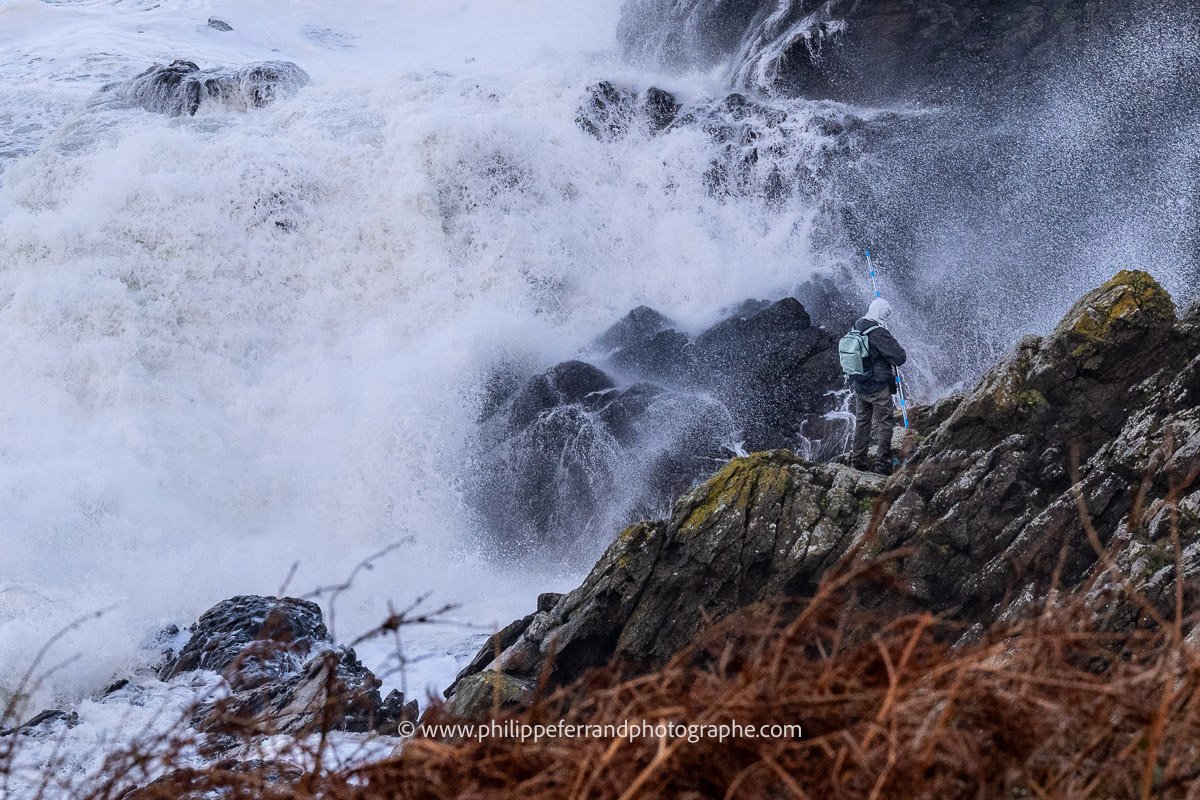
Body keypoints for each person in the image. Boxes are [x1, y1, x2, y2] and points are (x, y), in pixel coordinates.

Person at [847, 298, 907, 474]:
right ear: (881, 313)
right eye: (886, 314)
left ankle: (857, 460)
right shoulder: (878, 332)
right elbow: (899, 357)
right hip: (878, 387)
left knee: (862, 422)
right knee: (884, 423)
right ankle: (882, 463)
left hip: (860, 385)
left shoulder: (856, 326)